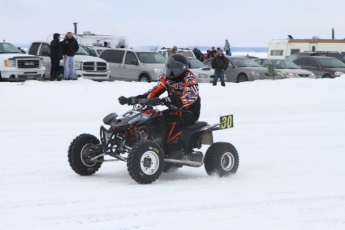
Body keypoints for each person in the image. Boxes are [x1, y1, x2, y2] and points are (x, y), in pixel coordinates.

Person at [118, 54, 201, 159]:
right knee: (155, 117)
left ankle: (173, 149)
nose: (171, 73)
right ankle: (150, 142)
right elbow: (153, 92)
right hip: (174, 108)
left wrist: (168, 100)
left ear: (182, 69)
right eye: (169, 70)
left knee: (172, 118)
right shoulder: (166, 78)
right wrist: (134, 99)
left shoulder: (189, 78)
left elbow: (190, 97)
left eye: (174, 70)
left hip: (189, 111)